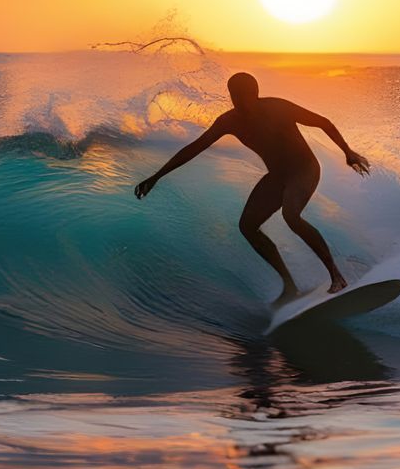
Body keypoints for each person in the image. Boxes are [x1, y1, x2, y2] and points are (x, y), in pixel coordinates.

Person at [134, 71, 370, 302]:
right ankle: (289, 286)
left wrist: (347, 152)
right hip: (277, 176)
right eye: (234, 96)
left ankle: (336, 277)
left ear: (255, 93)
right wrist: (157, 176)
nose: (238, 102)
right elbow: (194, 148)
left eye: (243, 96)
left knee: (291, 215)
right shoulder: (229, 121)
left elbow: (323, 123)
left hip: (304, 169)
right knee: (247, 226)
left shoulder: (278, 107)